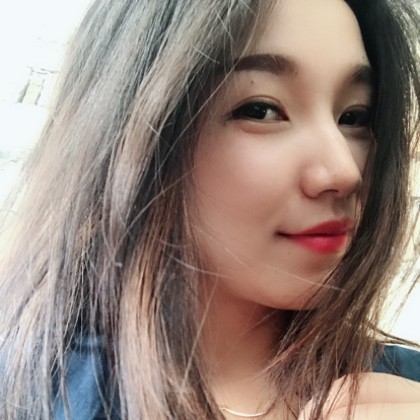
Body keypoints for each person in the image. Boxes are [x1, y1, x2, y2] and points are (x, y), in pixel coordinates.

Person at [0, 0, 419, 418]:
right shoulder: (29, 392)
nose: (345, 171)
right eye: (260, 110)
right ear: (135, 136)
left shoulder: (405, 388)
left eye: (355, 116)